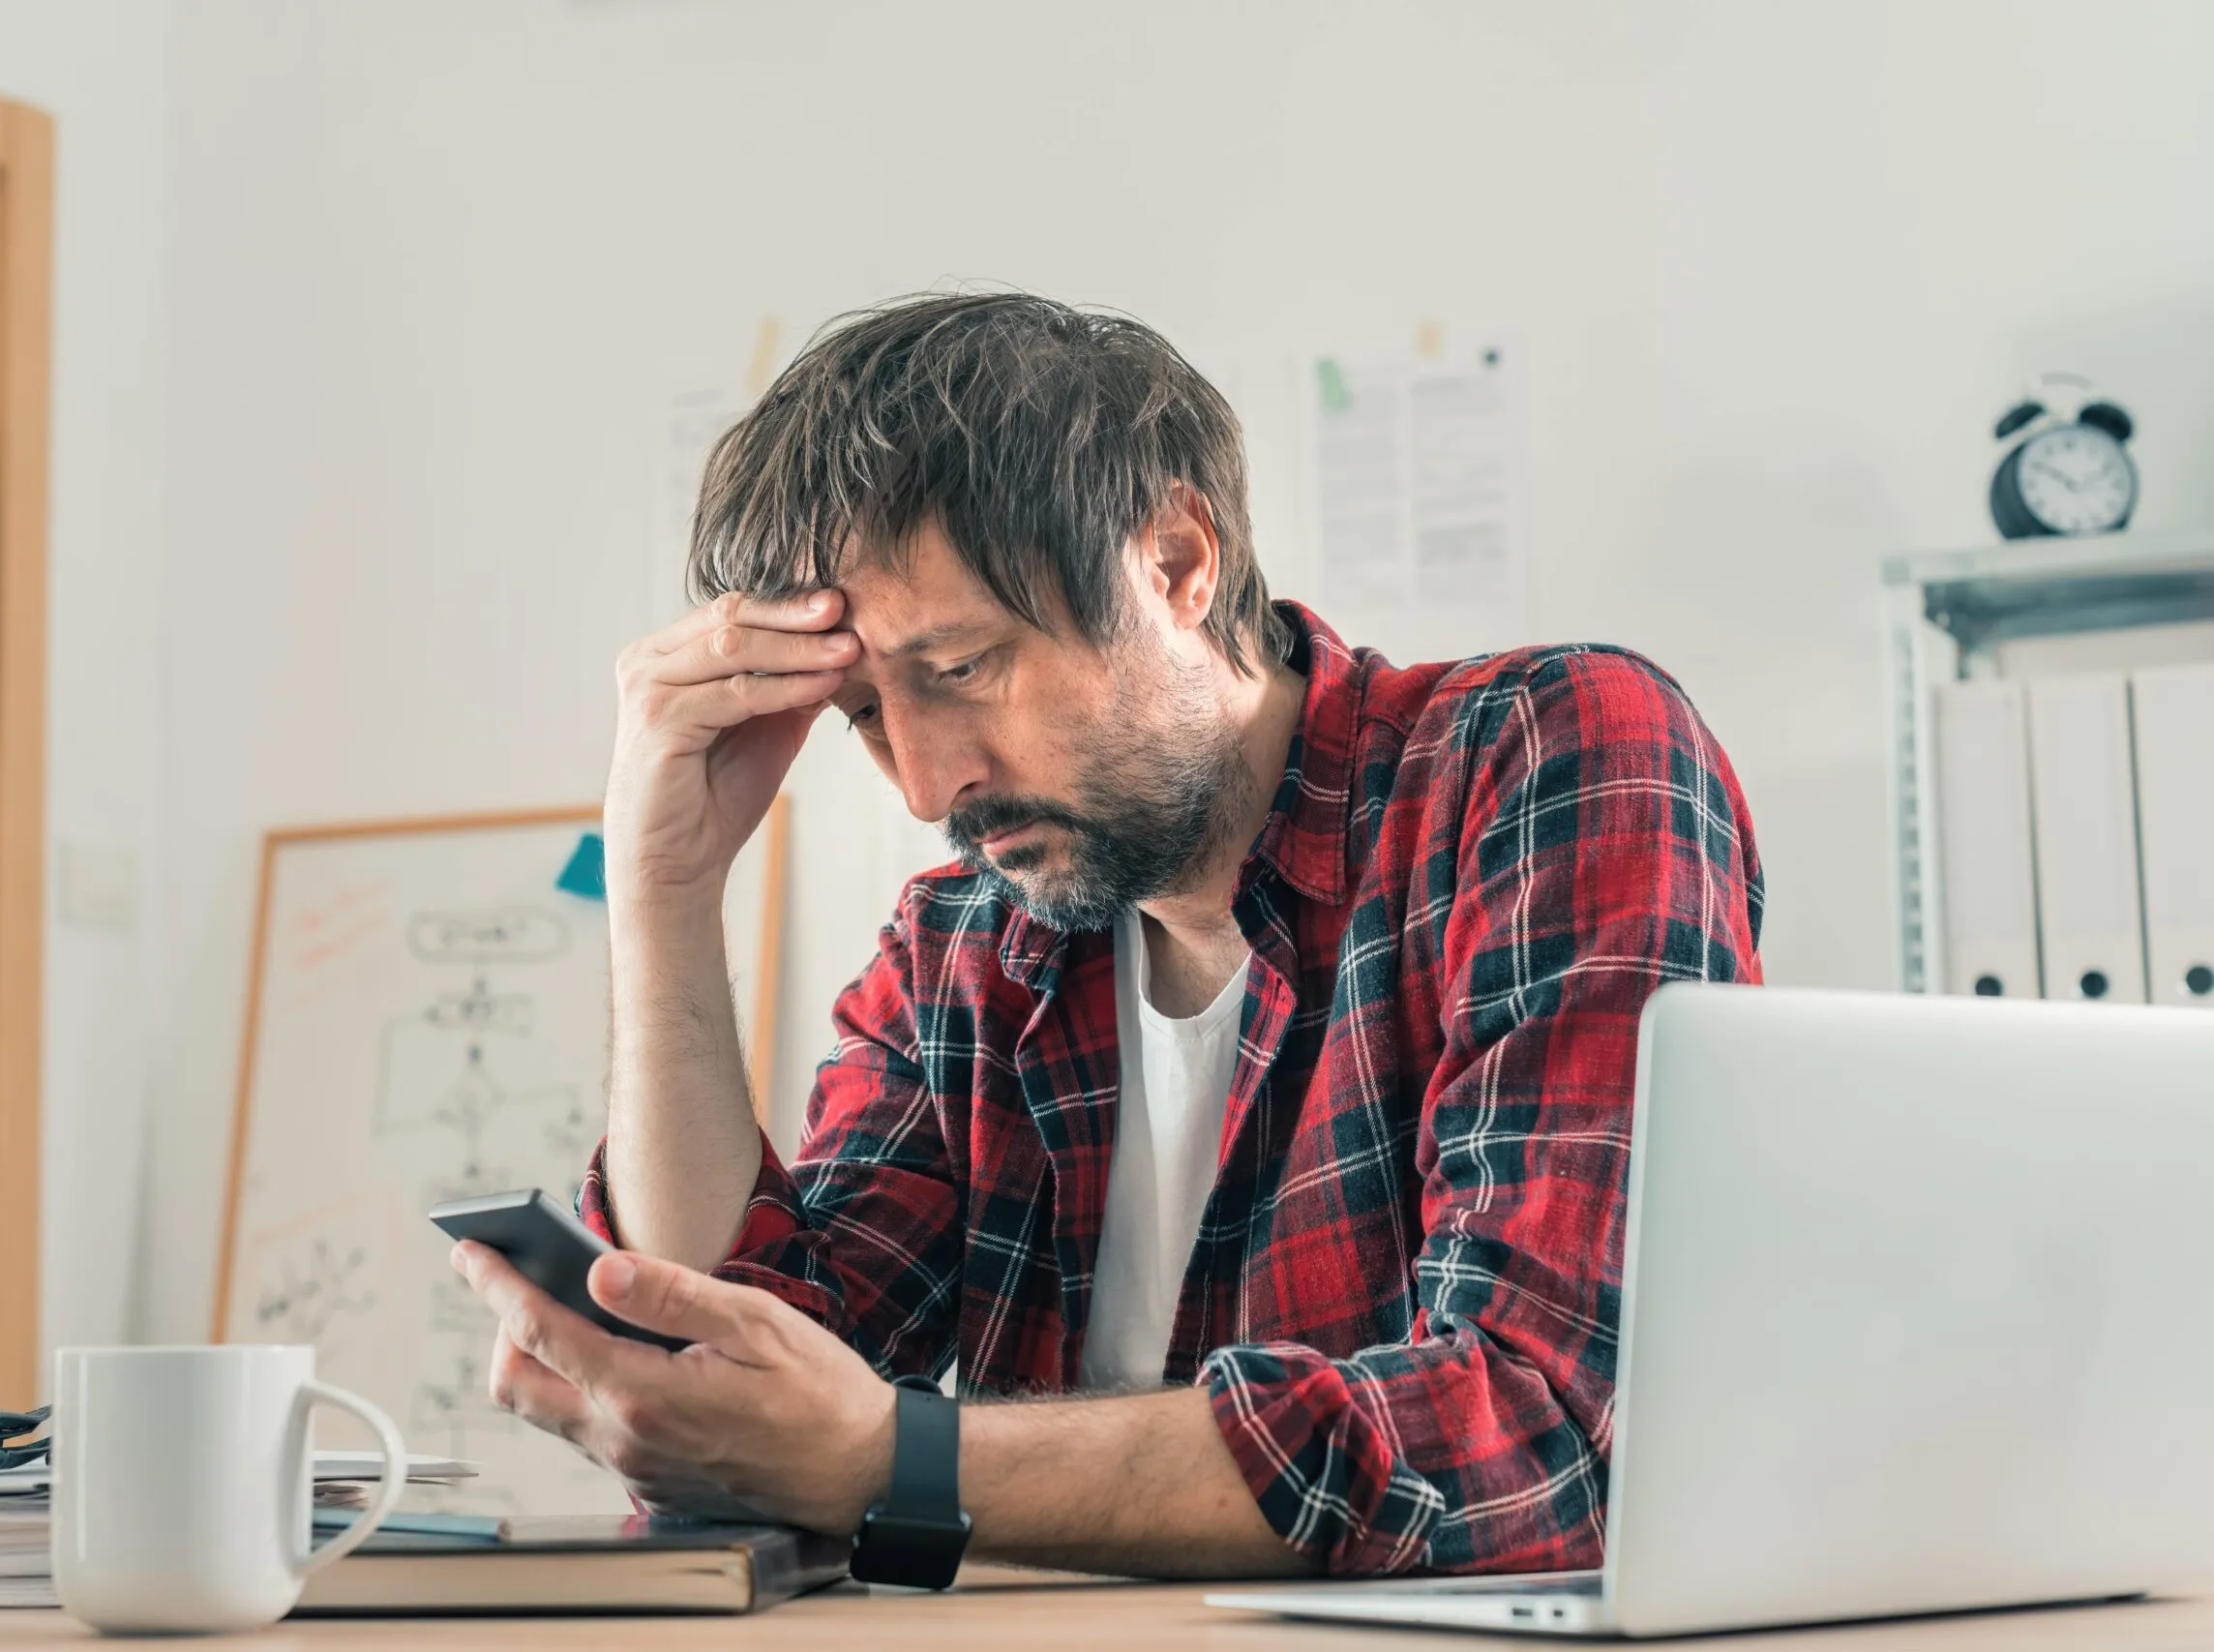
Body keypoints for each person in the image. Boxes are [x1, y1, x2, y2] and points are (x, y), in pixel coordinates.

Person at [451, 291, 1765, 1581]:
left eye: (960, 668)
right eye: (860, 712)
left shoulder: (1541, 755)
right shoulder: (957, 951)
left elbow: (1542, 1428)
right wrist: (665, 891)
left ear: (1177, 563)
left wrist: (894, 1465)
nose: (923, 785)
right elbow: (746, 1400)